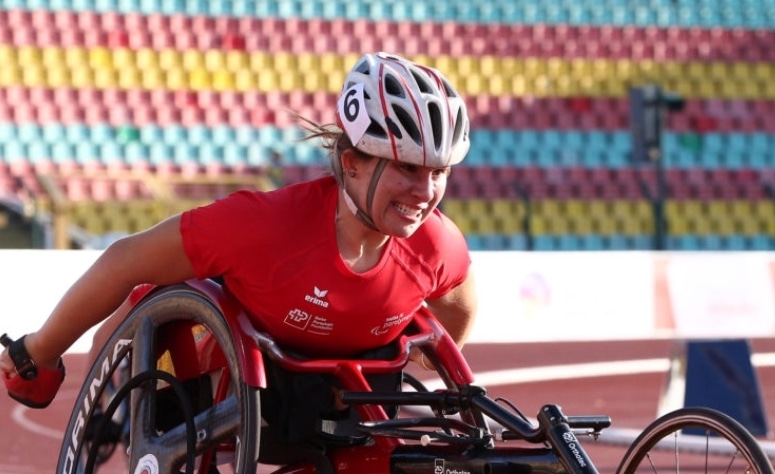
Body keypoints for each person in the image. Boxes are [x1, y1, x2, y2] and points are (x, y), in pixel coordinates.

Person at [1, 53, 475, 412]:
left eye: (440, 172)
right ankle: (116, 404)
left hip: (346, 398)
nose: (425, 191)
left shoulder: (439, 246)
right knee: (153, 294)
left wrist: (423, 364)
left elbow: (459, 311)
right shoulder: (263, 226)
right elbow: (125, 260)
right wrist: (39, 352)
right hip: (230, 385)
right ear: (351, 164)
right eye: (409, 168)